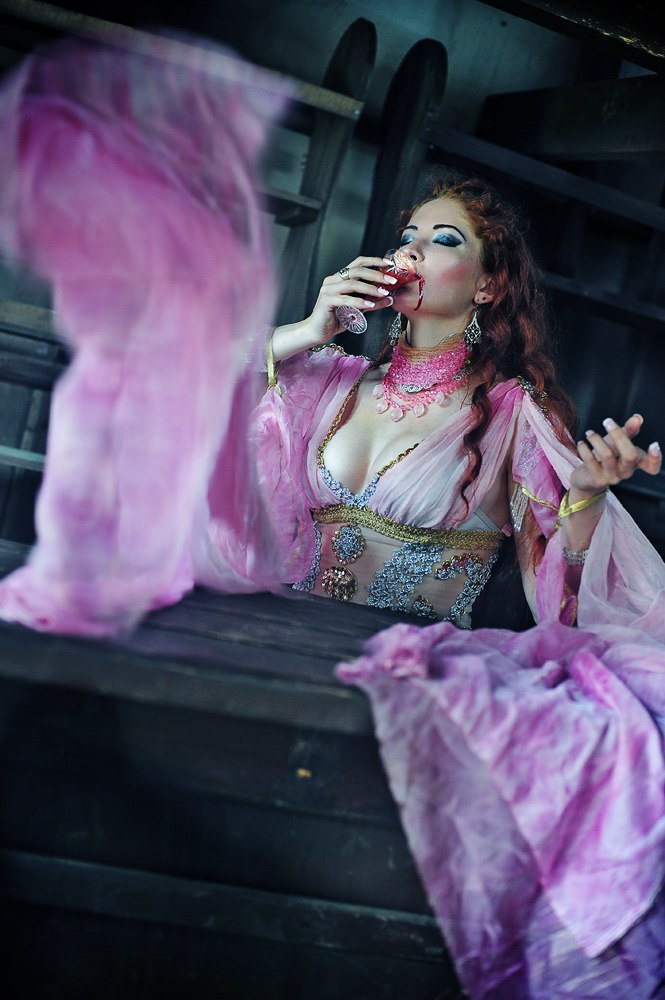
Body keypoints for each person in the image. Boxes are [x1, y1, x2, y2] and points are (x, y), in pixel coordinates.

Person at [1, 40, 664, 999]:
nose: (411, 250)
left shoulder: (514, 413)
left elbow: (561, 579)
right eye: (407, 234)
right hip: (275, 637)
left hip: (397, 669)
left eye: (442, 240)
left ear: (487, 285)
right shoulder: (325, 376)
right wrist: (306, 331)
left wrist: (588, 499)